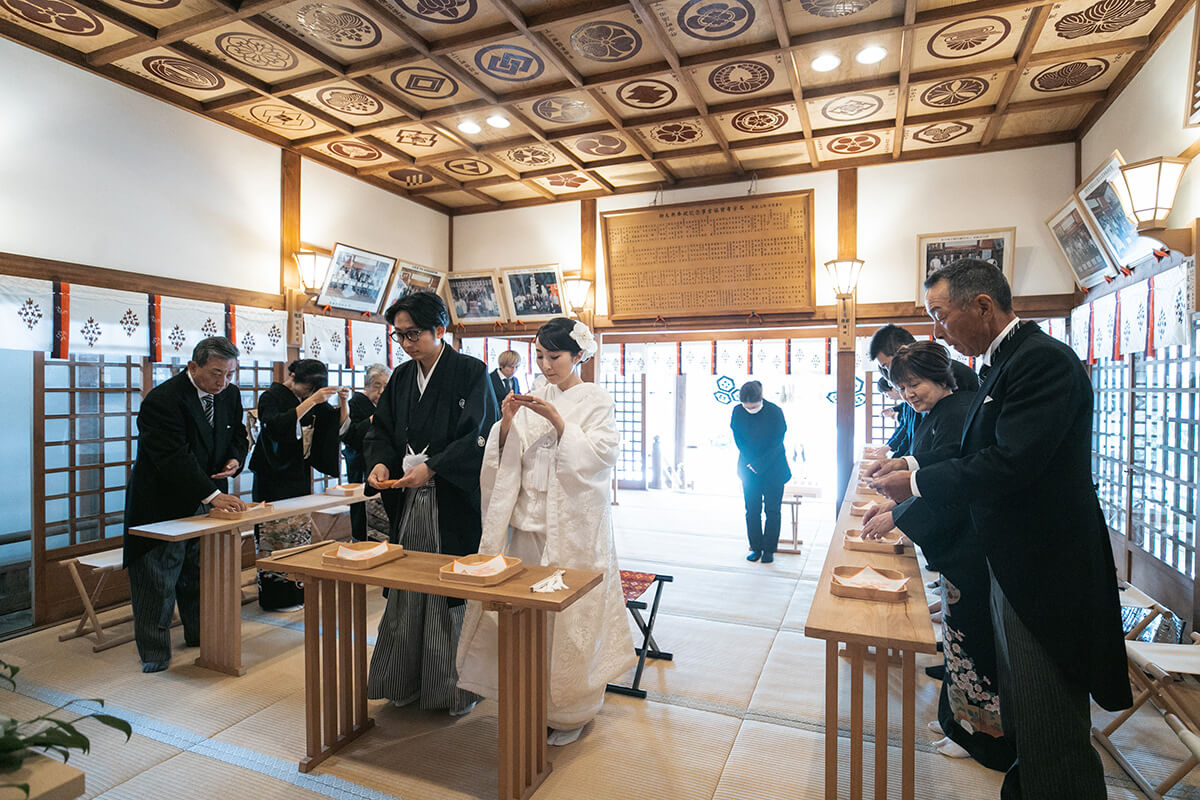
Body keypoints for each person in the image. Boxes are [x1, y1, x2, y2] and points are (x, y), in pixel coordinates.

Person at [868, 259, 1131, 799]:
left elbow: (1011, 464)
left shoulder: (1040, 362)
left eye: (940, 316)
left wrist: (916, 486)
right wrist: (915, 470)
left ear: (982, 305)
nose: (938, 330)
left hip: (1045, 564)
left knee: (1048, 708)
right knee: (1025, 707)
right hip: (1009, 558)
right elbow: (979, 456)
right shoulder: (1001, 363)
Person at [457, 318, 635, 746]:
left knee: (566, 619)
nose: (546, 364)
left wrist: (558, 421)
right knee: (521, 618)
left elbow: (602, 456)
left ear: (578, 355)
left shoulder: (595, 399)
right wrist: (505, 423)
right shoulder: (534, 391)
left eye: (554, 356)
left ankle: (571, 710)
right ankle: (528, 701)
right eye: (540, 356)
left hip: (568, 528)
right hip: (525, 525)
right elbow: (504, 454)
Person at [861, 342, 1014, 772]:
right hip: (957, 545)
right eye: (902, 388)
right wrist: (898, 495)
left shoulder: (963, 410)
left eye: (915, 385)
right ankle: (958, 723)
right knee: (957, 639)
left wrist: (900, 511)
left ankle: (982, 738)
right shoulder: (943, 411)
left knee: (974, 645)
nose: (909, 394)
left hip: (971, 540)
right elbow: (927, 465)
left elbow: (948, 480)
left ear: (940, 377)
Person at [364, 291, 498, 715]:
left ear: (441, 329)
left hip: (450, 498)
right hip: (406, 497)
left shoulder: (471, 372)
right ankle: (402, 678)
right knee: (405, 588)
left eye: (414, 334)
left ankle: (453, 688)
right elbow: (380, 430)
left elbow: (481, 434)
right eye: (399, 335)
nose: (406, 343)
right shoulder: (402, 378)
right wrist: (381, 463)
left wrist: (435, 467)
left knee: (448, 592)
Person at [123, 337, 249, 673]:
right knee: (157, 578)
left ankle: (199, 636)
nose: (222, 382)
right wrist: (211, 494)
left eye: (229, 374)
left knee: (198, 571)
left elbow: (239, 433)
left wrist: (236, 459)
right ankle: (154, 654)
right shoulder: (163, 400)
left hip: (208, 497)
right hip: (162, 501)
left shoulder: (229, 394)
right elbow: (172, 457)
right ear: (193, 367)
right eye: (215, 374)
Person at [249, 358, 349, 610]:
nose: (309, 393)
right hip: (272, 476)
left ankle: (297, 592)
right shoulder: (271, 396)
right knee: (274, 536)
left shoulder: (309, 399)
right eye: (307, 387)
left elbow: (333, 423)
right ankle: (274, 597)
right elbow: (274, 426)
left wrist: (343, 402)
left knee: (298, 535)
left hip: (298, 474)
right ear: (291, 376)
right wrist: (311, 402)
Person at [869, 324, 980, 458]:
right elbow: (912, 430)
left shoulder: (952, 376)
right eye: (902, 388)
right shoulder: (916, 395)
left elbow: (948, 454)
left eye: (887, 366)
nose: (908, 394)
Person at [730, 380, 791, 564]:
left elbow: (778, 441)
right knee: (752, 510)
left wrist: (760, 464)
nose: (750, 409)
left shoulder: (774, 411)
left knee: (772, 510)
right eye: (747, 407)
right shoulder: (737, 411)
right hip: (749, 469)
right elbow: (738, 438)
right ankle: (755, 547)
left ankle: (769, 549)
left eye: (754, 406)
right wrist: (751, 462)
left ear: (761, 399)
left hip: (774, 467)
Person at [342, 363, 392, 542]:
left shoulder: (386, 405)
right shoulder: (356, 403)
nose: (381, 391)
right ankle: (361, 542)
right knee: (362, 508)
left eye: (385, 385)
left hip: (381, 462)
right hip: (360, 463)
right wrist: (374, 418)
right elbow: (351, 436)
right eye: (377, 385)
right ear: (366, 385)